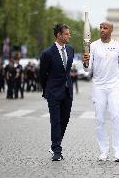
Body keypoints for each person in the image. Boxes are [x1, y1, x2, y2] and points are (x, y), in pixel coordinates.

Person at [82, 21, 119, 162]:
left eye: (105, 28)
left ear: (111, 30)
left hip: (113, 86)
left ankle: (117, 151)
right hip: (98, 86)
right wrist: (85, 62)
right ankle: (103, 151)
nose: (102, 30)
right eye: (100, 28)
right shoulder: (93, 46)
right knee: (100, 119)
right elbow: (87, 69)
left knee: (116, 117)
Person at [40, 23, 74, 161]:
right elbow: (42, 74)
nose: (69, 36)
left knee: (65, 119)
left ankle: (55, 144)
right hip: (53, 92)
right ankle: (57, 151)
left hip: (67, 91)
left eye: (69, 33)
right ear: (58, 35)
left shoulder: (71, 50)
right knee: (55, 121)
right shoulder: (47, 53)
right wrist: (46, 90)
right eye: (66, 34)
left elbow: (68, 71)